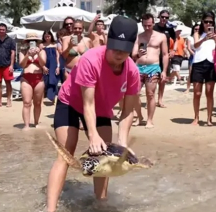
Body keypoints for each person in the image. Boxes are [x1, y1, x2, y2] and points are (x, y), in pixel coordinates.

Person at [46, 16, 140, 212]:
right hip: (71, 102)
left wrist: (122, 142)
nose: (119, 54)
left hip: (102, 108)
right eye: (115, 48)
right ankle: (50, 209)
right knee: (65, 153)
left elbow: (128, 111)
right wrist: (92, 135)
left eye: (124, 50)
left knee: (104, 158)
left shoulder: (132, 72)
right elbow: (88, 104)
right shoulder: (90, 59)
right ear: (109, 41)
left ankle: (100, 205)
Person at [131, 13, 168, 128]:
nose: (147, 28)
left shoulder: (161, 36)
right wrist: (138, 54)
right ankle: (140, 116)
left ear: (153, 23)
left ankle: (149, 120)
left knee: (150, 94)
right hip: (139, 67)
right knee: (134, 94)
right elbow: (133, 55)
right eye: (145, 25)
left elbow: (165, 54)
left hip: (153, 67)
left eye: (149, 25)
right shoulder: (139, 36)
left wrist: (164, 71)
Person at [191, 11, 216, 126]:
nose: (208, 24)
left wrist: (215, 39)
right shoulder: (197, 33)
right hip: (198, 63)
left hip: (211, 63)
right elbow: (195, 46)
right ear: (202, 22)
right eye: (206, 21)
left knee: (209, 93)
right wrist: (204, 39)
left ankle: (209, 119)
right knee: (197, 93)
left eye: (210, 22)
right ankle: (196, 117)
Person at [19, 33, 45, 130]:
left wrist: (38, 54)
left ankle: (36, 122)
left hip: (39, 77)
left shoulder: (42, 51)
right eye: (29, 41)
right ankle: (26, 124)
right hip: (26, 78)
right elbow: (22, 65)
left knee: (37, 103)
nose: (31, 43)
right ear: (27, 42)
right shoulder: (22, 51)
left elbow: (43, 63)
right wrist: (27, 55)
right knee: (26, 102)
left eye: (33, 41)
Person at [153, 10, 176, 108]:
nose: (164, 19)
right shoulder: (154, 27)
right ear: (159, 17)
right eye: (162, 17)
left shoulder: (170, 29)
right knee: (153, 79)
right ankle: (152, 100)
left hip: (165, 56)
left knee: (163, 79)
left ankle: (160, 100)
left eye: (166, 17)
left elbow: (175, 40)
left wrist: (173, 50)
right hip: (154, 56)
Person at [0, 23, 16, 107]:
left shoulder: (11, 40)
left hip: (7, 65)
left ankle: (9, 100)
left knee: (8, 83)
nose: (1, 31)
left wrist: (12, 65)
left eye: (3, 30)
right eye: (0, 29)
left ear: (6, 30)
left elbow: (13, 53)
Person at [40, 30, 60, 103]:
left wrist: (58, 66)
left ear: (51, 36)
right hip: (45, 64)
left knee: (53, 80)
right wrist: (43, 66)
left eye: (48, 36)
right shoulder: (41, 45)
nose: (47, 38)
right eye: (45, 36)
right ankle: (42, 97)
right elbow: (40, 57)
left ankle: (52, 98)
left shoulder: (55, 45)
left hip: (53, 64)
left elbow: (58, 56)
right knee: (45, 80)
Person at [184, 24, 200, 93]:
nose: (197, 30)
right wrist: (194, 54)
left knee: (198, 73)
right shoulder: (190, 38)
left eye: (198, 29)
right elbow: (188, 47)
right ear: (193, 29)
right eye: (195, 29)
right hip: (193, 55)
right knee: (190, 72)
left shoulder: (202, 37)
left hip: (200, 55)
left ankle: (196, 88)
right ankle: (188, 88)